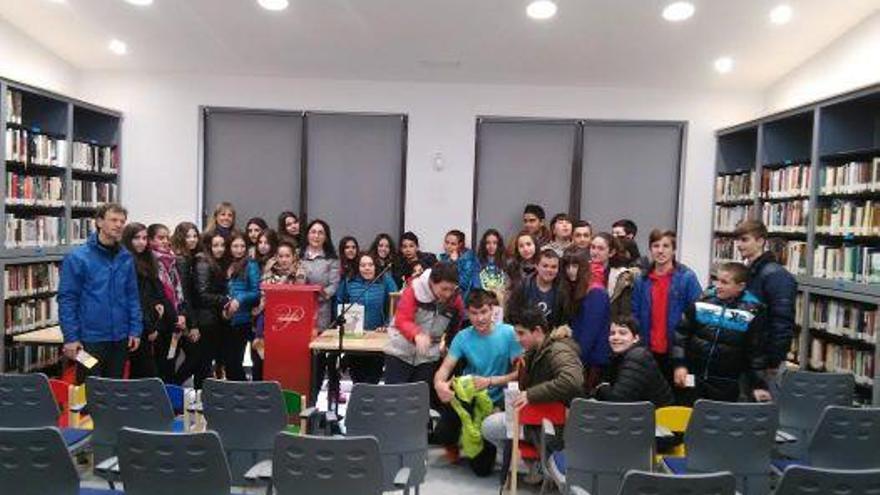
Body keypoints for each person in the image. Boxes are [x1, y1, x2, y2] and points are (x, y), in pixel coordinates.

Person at [433, 289, 522, 475]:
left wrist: (490, 381)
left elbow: (519, 374)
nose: (479, 318)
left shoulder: (509, 334)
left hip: (496, 401)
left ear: (492, 311)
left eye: (484, 312)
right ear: (467, 313)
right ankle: (456, 442)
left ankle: (476, 441)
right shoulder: (463, 337)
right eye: (474, 313)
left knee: (482, 470)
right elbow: (444, 369)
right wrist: (439, 384)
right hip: (468, 395)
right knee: (441, 432)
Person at [481, 306, 584, 452]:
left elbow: (571, 381)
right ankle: (535, 465)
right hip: (543, 419)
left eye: (521, 333)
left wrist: (530, 395)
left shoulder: (559, 350)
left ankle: (534, 463)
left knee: (489, 426)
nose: (517, 339)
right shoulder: (534, 352)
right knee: (493, 422)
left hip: (554, 427)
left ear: (537, 331)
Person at [58, 203, 142, 381]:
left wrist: (135, 329)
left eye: (122, 221)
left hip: (120, 339)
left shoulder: (126, 257)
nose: (119, 225)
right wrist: (71, 338)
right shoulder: (78, 258)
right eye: (113, 220)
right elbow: (67, 300)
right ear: (99, 222)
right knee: (88, 390)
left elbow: (132, 296)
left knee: (115, 389)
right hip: (90, 341)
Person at [672, 262, 771, 403]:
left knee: (717, 420)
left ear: (740, 287)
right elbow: (680, 335)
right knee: (687, 418)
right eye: (717, 280)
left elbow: (756, 352)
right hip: (693, 376)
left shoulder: (752, 312)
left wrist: (759, 384)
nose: (718, 285)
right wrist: (679, 365)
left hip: (726, 383)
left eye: (724, 282)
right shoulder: (703, 301)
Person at [632, 229, 703, 381]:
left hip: (677, 353)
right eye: (656, 246)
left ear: (674, 249)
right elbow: (635, 314)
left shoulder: (687, 278)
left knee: (678, 398)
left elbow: (697, 315)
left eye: (666, 246)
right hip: (648, 350)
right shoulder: (641, 280)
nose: (661, 251)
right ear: (650, 249)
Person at [735, 219, 797, 392]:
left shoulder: (776, 276)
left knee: (764, 412)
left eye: (745, 239)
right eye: (738, 240)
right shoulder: (749, 271)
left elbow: (782, 323)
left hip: (766, 363)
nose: (739, 245)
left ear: (761, 241)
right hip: (748, 357)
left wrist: (773, 361)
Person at [384, 263, 464, 389]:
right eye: (444, 289)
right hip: (399, 354)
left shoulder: (455, 300)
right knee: (394, 399)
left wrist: (448, 345)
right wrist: (417, 334)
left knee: (419, 401)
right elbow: (402, 319)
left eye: (452, 289)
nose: (448, 294)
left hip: (428, 358)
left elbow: (455, 325)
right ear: (432, 282)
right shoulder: (414, 290)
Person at [337, 252, 398, 384]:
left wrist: (387, 325)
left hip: (378, 335)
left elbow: (396, 302)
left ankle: (370, 402)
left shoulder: (385, 279)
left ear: (376, 266)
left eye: (370, 265)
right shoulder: (349, 280)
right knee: (357, 378)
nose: (367, 268)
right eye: (363, 265)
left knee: (373, 378)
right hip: (354, 337)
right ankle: (359, 403)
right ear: (358, 267)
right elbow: (339, 301)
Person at [300, 219, 341, 400]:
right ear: (307, 235)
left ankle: (314, 401)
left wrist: (317, 294)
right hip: (297, 313)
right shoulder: (298, 255)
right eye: (313, 232)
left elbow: (333, 286)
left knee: (318, 363)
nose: (316, 236)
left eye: (320, 232)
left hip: (321, 313)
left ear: (326, 237)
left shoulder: (331, 259)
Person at [252, 240, 305, 377]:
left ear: (294, 257)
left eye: (287, 256)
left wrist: (289, 276)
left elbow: (299, 290)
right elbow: (266, 291)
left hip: (291, 318)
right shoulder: (269, 272)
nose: (284, 260)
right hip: (270, 313)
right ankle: (259, 340)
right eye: (281, 256)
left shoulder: (300, 271)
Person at [593, 316, 673, 407]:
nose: (615, 337)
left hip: (657, 417)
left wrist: (601, 388)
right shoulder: (619, 357)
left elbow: (619, 400)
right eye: (612, 333)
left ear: (636, 338)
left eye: (622, 333)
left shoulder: (637, 357)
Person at [562, 249, 611, 391]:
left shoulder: (595, 292)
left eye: (575, 266)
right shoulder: (575, 288)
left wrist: (575, 362)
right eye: (567, 266)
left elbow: (589, 334)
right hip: (580, 356)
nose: (571, 271)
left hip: (592, 361)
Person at [121, 222, 163, 379]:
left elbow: (152, 291)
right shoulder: (128, 262)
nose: (142, 242)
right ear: (128, 239)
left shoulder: (147, 259)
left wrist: (157, 303)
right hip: (137, 326)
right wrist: (150, 327)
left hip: (146, 322)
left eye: (145, 238)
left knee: (142, 372)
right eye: (136, 238)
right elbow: (137, 299)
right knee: (147, 373)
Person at [147, 223, 188, 382]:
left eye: (167, 237)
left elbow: (178, 291)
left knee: (171, 360)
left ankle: (172, 399)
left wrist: (182, 314)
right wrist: (174, 317)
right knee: (160, 364)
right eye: (160, 238)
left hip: (175, 320)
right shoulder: (151, 262)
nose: (165, 241)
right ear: (150, 241)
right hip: (161, 322)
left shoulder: (171, 260)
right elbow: (160, 294)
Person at [193, 231, 230, 389]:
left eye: (222, 245)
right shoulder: (203, 263)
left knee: (208, 362)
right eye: (215, 245)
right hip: (206, 319)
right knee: (203, 362)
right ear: (208, 246)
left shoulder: (217, 262)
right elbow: (202, 295)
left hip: (214, 318)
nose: (220, 249)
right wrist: (225, 299)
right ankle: (197, 398)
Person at [223, 231, 261, 381]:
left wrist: (239, 299)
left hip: (243, 319)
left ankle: (244, 392)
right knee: (228, 362)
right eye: (235, 246)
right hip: (226, 318)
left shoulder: (251, 265)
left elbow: (256, 292)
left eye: (242, 246)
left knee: (235, 362)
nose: (239, 249)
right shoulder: (226, 263)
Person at [169, 221, 202, 385]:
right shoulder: (182, 260)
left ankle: (171, 388)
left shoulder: (187, 257)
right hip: (182, 319)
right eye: (188, 236)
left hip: (180, 316)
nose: (193, 239)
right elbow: (185, 295)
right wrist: (193, 325)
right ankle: (172, 387)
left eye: (195, 236)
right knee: (195, 356)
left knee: (173, 357)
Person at [506, 249, 570, 329]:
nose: (549, 270)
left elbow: (564, 320)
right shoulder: (523, 286)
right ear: (536, 266)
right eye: (545, 266)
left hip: (551, 337)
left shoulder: (563, 290)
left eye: (553, 267)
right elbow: (511, 314)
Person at [471, 229, 509, 305]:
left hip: (501, 302)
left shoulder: (506, 262)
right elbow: (476, 285)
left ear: (499, 245)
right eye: (488, 243)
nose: (491, 246)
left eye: (495, 243)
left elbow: (508, 285)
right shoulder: (477, 262)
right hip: (483, 301)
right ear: (483, 245)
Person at [439, 229, 477, 300]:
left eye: (453, 244)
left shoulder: (468, 260)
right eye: (447, 242)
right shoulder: (443, 258)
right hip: (447, 300)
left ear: (460, 245)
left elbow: (464, 284)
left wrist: (455, 263)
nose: (448, 246)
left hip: (462, 302)